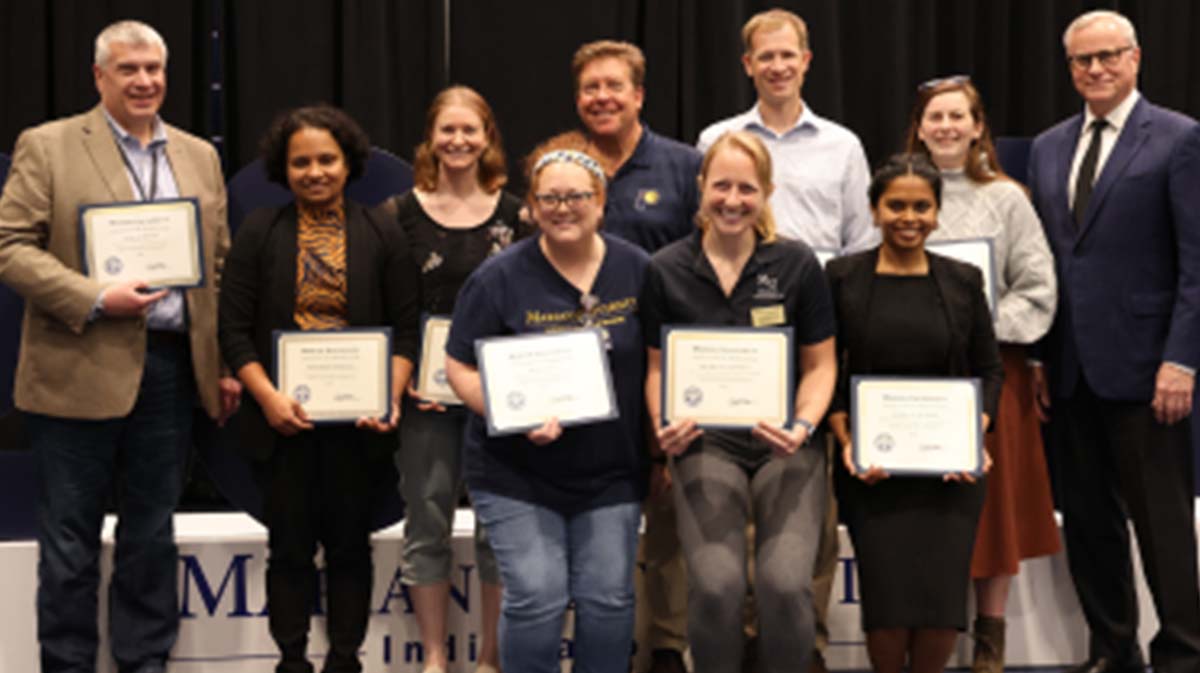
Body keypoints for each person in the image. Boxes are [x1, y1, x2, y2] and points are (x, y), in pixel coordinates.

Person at [0, 20, 239, 673]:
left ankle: (144, 660)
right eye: (128, 69)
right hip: (75, 365)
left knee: (151, 534)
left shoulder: (198, 154)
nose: (144, 81)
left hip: (168, 370)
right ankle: (68, 663)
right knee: (70, 539)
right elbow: (9, 248)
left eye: (154, 69)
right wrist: (95, 296)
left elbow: (215, 269)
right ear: (99, 76)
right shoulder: (47, 145)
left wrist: (216, 365)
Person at [695, 12, 875, 670]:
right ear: (747, 64)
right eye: (763, 56)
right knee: (731, 513)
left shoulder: (843, 146)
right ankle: (745, 638)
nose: (776, 66)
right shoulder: (718, 138)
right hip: (729, 341)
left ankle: (806, 646)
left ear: (806, 61)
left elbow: (861, 244)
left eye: (787, 56)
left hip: (815, 333)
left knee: (805, 515)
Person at [1027, 10, 1200, 673]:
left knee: (1162, 527)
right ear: (1069, 68)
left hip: (1150, 369)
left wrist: (1181, 358)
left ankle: (1183, 652)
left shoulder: (1179, 139)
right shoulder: (1047, 146)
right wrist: (1040, 356)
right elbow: (1043, 261)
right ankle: (1112, 647)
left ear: (1136, 57)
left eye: (1108, 56)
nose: (1095, 69)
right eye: (1081, 61)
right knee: (1092, 525)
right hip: (1069, 369)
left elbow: (1196, 262)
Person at [217, 105, 419, 673]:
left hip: (359, 428)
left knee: (351, 549)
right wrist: (268, 399)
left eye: (326, 159)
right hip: (283, 425)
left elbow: (408, 328)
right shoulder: (259, 229)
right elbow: (232, 330)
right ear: (284, 169)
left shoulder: (382, 228)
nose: (315, 172)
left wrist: (388, 398)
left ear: (348, 163)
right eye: (300, 161)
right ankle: (291, 660)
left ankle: (346, 659)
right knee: (289, 550)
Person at [444, 132, 649, 673]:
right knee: (537, 595)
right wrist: (508, 412)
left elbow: (658, 359)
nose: (564, 209)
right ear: (531, 208)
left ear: (601, 202)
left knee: (608, 600)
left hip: (611, 471)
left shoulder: (637, 270)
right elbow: (458, 365)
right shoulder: (497, 278)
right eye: (550, 199)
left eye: (577, 197)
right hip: (516, 471)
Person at [641, 130, 836, 673]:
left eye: (747, 188)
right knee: (718, 585)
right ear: (700, 187)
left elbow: (821, 366)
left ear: (767, 192)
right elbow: (657, 369)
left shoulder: (797, 265)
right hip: (706, 445)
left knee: (785, 583)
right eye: (720, 185)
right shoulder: (666, 269)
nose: (732, 200)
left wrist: (801, 424)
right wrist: (666, 422)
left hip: (787, 446)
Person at [904, 76, 1059, 673]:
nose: (945, 127)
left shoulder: (1007, 198)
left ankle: (989, 637)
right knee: (926, 509)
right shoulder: (898, 192)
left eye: (956, 117)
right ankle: (933, 630)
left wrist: (977, 331)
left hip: (992, 370)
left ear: (976, 126)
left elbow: (1039, 288)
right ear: (919, 127)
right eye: (934, 117)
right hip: (914, 375)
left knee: (992, 510)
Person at [825, 154, 1003, 673]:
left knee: (940, 606)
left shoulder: (964, 281)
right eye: (896, 205)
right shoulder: (842, 278)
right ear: (874, 210)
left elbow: (990, 372)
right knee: (888, 606)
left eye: (922, 206)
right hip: (871, 472)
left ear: (937, 212)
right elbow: (826, 375)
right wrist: (848, 442)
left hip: (950, 473)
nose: (909, 217)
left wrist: (973, 439)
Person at [388, 85, 530, 673]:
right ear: (430, 137)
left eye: (470, 129)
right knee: (426, 524)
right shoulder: (398, 215)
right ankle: (435, 658)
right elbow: (392, 310)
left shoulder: (517, 213)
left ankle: (492, 659)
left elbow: (528, 308)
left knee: (500, 532)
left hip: (500, 399)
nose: (458, 140)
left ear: (488, 137)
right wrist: (399, 382)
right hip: (426, 399)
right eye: (447, 129)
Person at [572, 39, 700, 672]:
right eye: (590, 88)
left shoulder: (682, 166)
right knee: (595, 514)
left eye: (613, 86)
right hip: (575, 375)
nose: (602, 98)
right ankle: (603, 643)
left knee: (667, 510)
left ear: (639, 95)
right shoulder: (562, 168)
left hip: (659, 365)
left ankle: (669, 642)